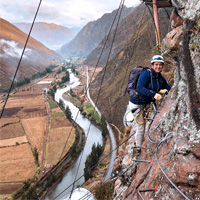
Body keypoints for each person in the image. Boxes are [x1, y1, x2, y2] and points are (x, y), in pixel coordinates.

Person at [129, 55, 171, 150]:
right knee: (141, 127)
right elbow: (140, 88)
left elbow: (167, 87)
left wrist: (166, 91)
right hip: (137, 103)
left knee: (155, 120)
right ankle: (138, 149)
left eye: (160, 65)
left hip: (148, 103)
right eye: (156, 64)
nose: (158, 67)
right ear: (152, 65)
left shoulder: (159, 77)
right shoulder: (146, 74)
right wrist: (154, 94)